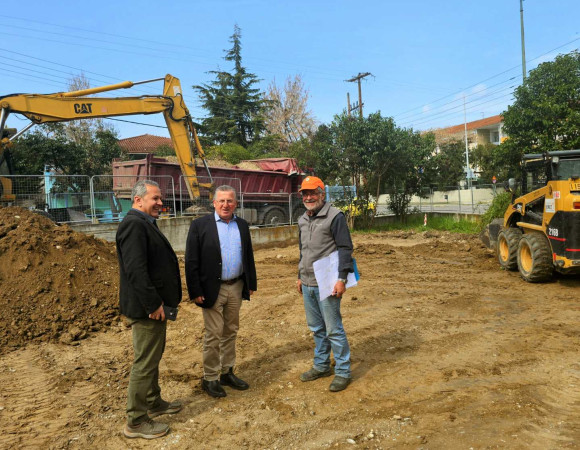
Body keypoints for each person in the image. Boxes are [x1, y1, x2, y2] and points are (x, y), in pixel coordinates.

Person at [116, 180, 183, 439]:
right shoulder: (134, 225)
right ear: (138, 200)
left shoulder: (144, 222)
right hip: (148, 309)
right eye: (155, 198)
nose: (160, 203)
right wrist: (153, 304)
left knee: (152, 357)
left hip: (153, 307)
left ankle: (153, 402)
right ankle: (135, 421)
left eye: (160, 198)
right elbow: (136, 270)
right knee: (144, 362)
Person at [185, 185, 257, 398]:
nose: (226, 205)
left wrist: (251, 283)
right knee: (214, 333)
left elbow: (248, 255)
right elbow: (191, 260)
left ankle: (227, 372)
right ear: (214, 203)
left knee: (231, 330)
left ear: (236, 203)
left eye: (230, 201)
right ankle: (210, 378)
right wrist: (195, 290)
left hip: (236, 286)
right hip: (211, 289)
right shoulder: (200, 225)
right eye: (222, 201)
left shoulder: (241, 225)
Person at [296, 176, 354, 392]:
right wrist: (300, 275)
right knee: (317, 328)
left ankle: (343, 372)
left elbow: (345, 248)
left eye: (313, 193)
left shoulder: (335, 216)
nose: (309, 197)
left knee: (333, 329)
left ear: (322, 194)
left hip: (328, 282)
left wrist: (342, 279)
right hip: (307, 282)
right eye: (305, 193)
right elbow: (303, 250)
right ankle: (321, 366)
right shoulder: (303, 219)